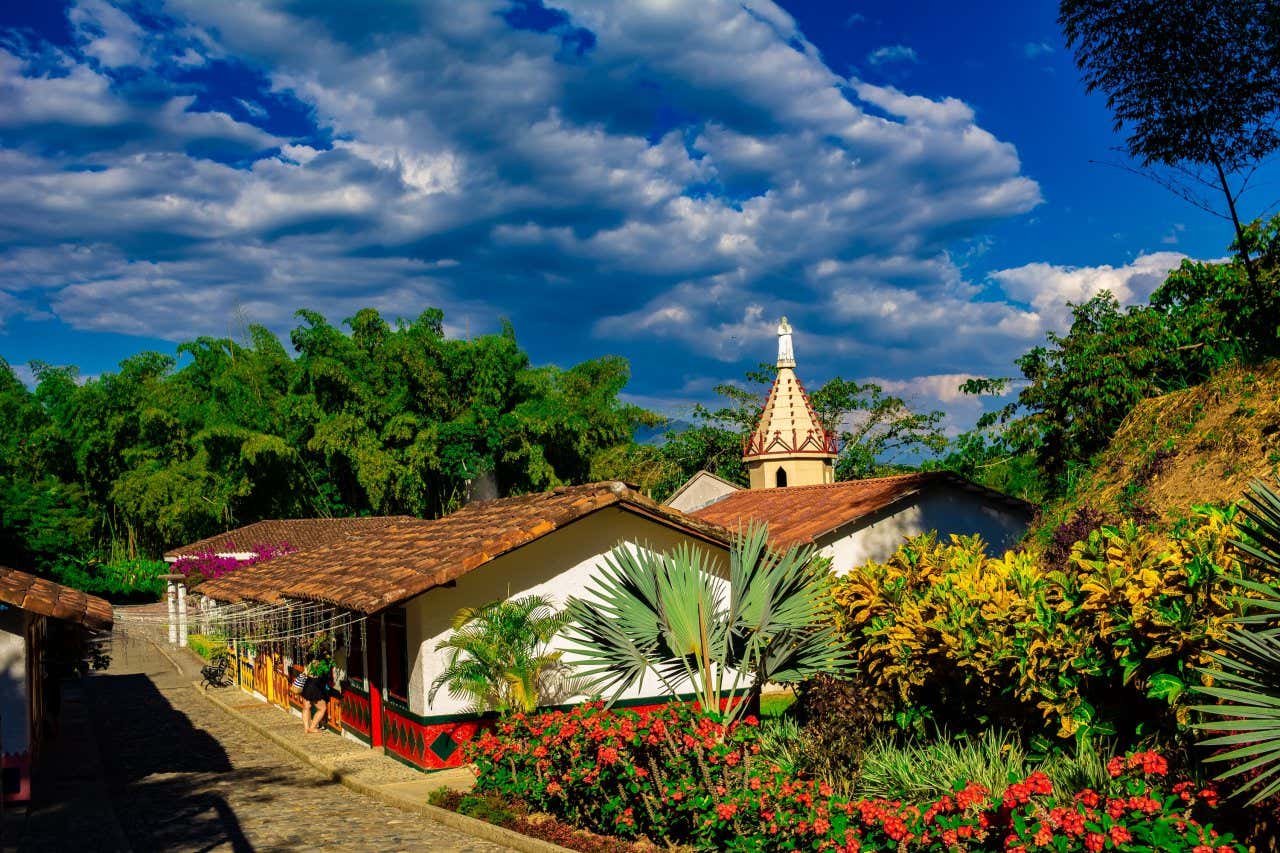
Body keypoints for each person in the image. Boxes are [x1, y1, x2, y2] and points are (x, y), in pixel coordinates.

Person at [301, 656, 331, 733]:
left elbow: (305, 673)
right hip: (315, 688)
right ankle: (312, 727)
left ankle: (306, 728)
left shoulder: (310, 664)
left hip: (307, 685)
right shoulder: (323, 665)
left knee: (306, 707)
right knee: (322, 708)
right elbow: (328, 679)